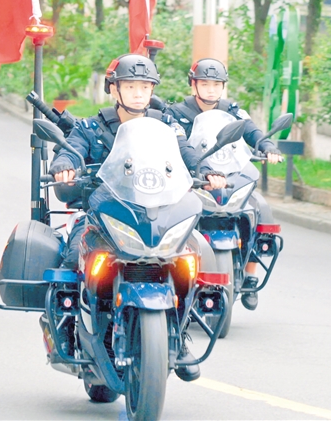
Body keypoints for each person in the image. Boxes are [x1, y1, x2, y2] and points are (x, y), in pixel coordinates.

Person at [47, 53, 224, 382]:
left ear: (152, 89)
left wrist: (206, 169)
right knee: (73, 257)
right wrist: (64, 165)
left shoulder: (164, 125)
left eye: (144, 86)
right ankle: (68, 330)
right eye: (130, 86)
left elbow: (186, 152)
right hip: (104, 215)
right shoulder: (91, 127)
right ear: (114, 90)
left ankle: (180, 332)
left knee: (189, 256)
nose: (139, 93)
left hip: (155, 214)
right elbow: (72, 149)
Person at [164, 58, 282, 310]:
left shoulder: (233, 111)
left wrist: (267, 146)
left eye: (216, 85)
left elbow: (251, 131)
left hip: (228, 178)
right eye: (205, 84)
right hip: (194, 181)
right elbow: (180, 146)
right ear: (193, 85)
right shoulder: (177, 114)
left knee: (259, 208)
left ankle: (251, 274)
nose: (211, 90)